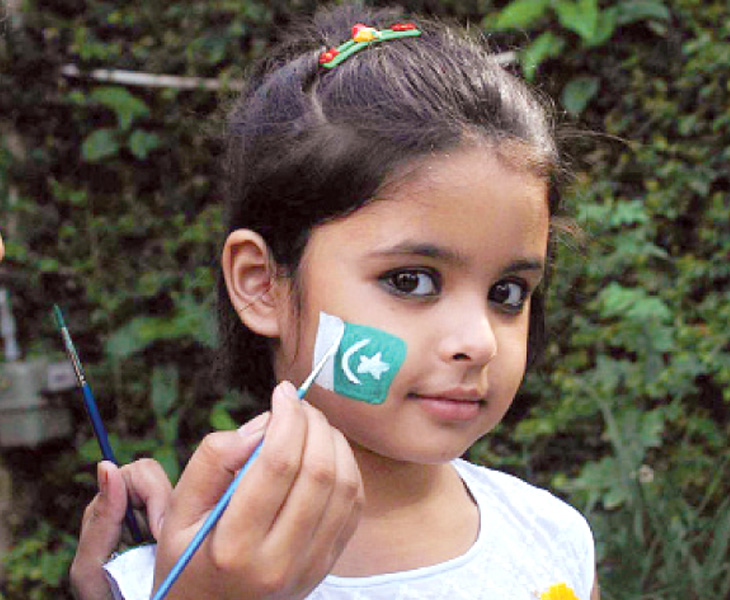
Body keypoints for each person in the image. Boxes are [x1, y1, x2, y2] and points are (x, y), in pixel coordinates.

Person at [70, 5, 599, 599]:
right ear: (261, 283)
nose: (479, 340)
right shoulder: (183, 576)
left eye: (507, 293)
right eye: (411, 281)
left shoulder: (552, 538)